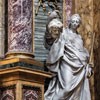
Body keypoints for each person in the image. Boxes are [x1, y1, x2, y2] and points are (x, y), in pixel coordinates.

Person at [44, 14, 92, 100]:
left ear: (79, 24)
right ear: (70, 22)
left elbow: (82, 51)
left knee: (77, 92)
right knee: (66, 87)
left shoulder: (79, 37)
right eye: (73, 21)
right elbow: (51, 37)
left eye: (77, 22)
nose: (75, 23)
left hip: (80, 66)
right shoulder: (64, 33)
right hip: (67, 63)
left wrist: (87, 64)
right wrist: (50, 19)